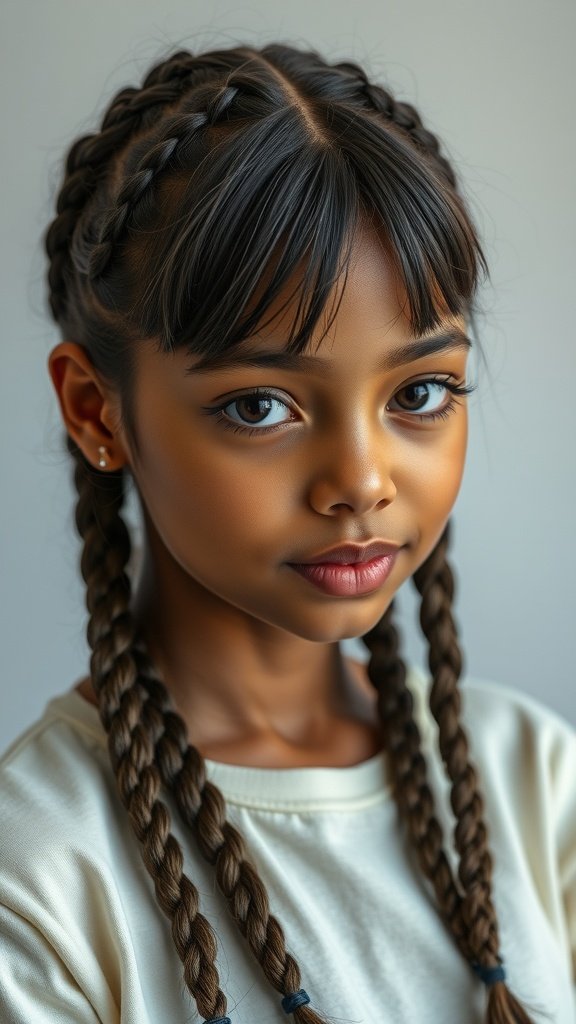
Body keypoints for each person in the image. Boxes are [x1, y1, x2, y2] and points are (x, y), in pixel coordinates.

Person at [0, 40, 574, 1024]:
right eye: (261, 406)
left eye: (421, 391)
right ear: (98, 411)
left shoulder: (533, 779)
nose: (362, 481)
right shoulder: (38, 868)